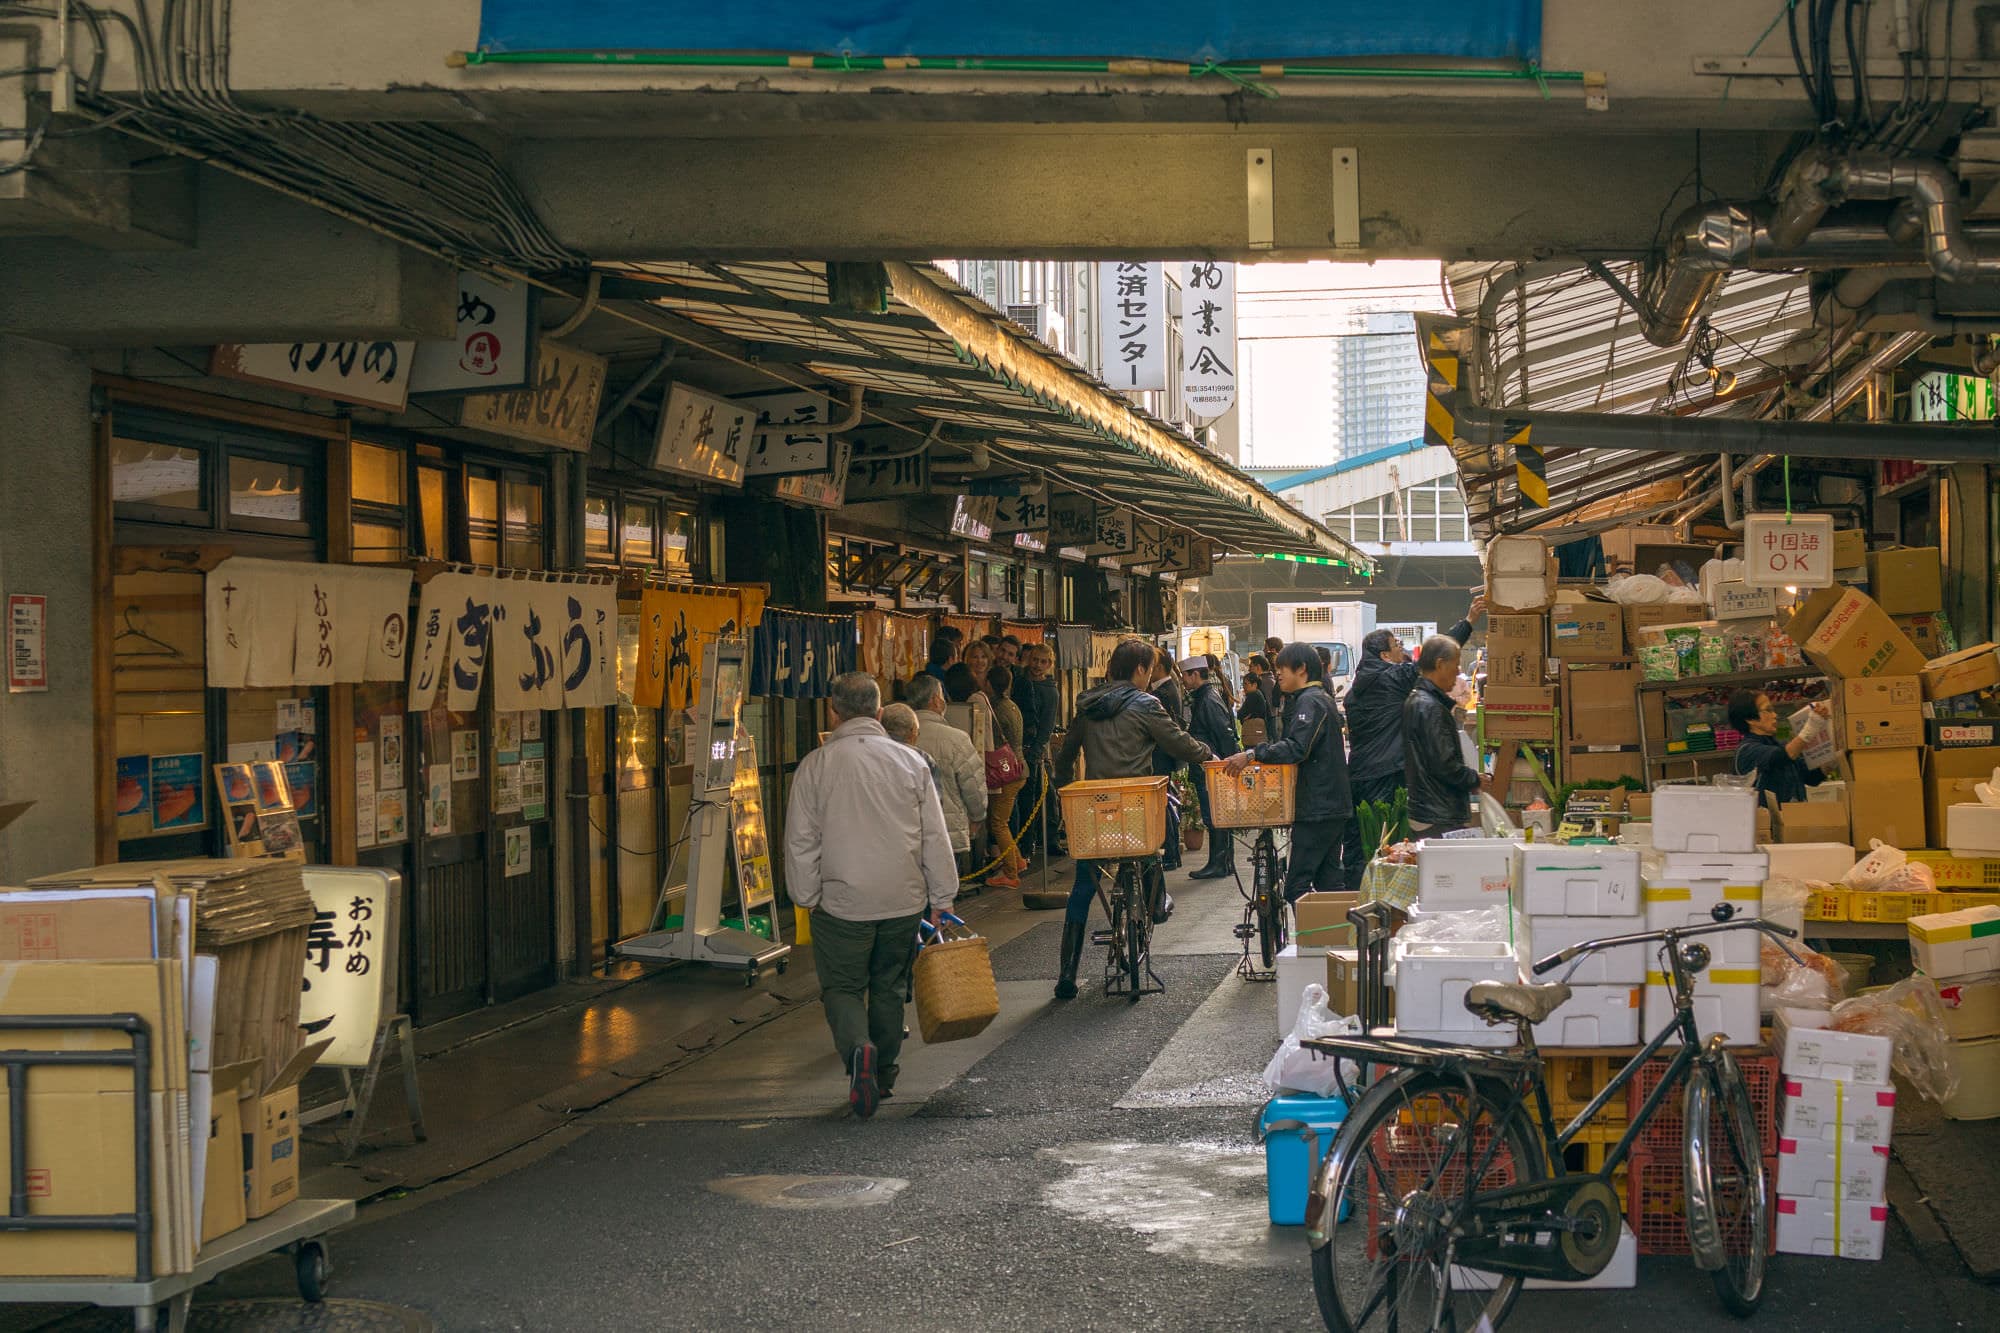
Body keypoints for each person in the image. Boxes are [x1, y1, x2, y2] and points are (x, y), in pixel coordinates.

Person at [784, 672, 957, 1118]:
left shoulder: (815, 766)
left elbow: (801, 841)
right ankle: (883, 1071)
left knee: (842, 987)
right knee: (889, 986)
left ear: (833, 712)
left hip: (840, 902)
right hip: (903, 898)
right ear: (879, 712)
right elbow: (934, 836)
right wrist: (943, 898)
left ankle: (858, 1048)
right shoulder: (911, 762)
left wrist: (806, 895)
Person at [1051, 639, 1214, 1000]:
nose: (1150, 676)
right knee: (1150, 848)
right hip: (1136, 804)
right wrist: (1206, 753)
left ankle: (1067, 973)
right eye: (1149, 669)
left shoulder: (1088, 705)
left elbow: (1066, 755)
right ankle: (1156, 903)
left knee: (1084, 884)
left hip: (1094, 806)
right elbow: (1178, 742)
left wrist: (1063, 788)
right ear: (1140, 669)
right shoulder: (1145, 703)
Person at [1224, 643, 1353, 901]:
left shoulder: (1310, 701)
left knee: (1297, 888)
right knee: (1329, 884)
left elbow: (1296, 748)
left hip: (1318, 808)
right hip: (1330, 805)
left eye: (1282, 668)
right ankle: (1336, 927)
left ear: (1301, 669)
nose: (1278, 674)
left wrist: (1252, 754)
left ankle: (1319, 929)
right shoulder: (1316, 699)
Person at [1345, 600, 1484, 810]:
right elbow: (1435, 654)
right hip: (1388, 773)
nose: (1401, 649)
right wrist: (1468, 622)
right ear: (1384, 655)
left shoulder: (1353, 692)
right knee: (1389, 826)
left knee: (1366, 826)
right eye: (1396, 645)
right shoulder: (1393, 678)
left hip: (1358, 772)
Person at [906, 674, 988, 878]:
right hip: (947, 832)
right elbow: (973, 786)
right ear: (935, 700)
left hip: (906, 833)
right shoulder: (956, 738)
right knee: (945, 887)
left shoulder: (895, 738)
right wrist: (977, 816)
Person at [1404, 635, 1485, 837]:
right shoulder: (1430, 707)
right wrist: (1475, 779)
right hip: (1438, 812)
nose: (1458, 671)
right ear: (1440, 664)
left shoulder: (1419, 700)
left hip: (1428, 809)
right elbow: (1444, 765)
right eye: (1456, 665)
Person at [1181, 655, 1243, 880]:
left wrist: (1229, 762)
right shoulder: (1206, 697)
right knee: (1218, 815)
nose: (1183, 680)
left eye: (1185, 676)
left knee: (1215, 815)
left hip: (1213, 768)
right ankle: (1223, 862)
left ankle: (1219, 863)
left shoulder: (1207, 699)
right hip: (1212, 767)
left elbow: (1224, 733)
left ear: (1195, 675)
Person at [1730, 689, 1828, 804]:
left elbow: (1812, 778)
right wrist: (1812, 726)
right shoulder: (1746, 750)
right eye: (1768, 710)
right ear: (1751, 719)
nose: (1775, 715)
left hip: (1795, 814)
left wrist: (1833, 758)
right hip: (1766, 816)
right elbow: (1782, 756)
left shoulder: (1775, 744)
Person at [983, 663, 1029, 890]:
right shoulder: (1012, 705)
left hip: (1006, 769)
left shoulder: (995, 709)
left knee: (998, 823)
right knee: (1003, 821)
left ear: (988, 684)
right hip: (1018, 766)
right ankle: (1017, 860)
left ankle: (1011, 873)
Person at [1015, 642, 1060, 855]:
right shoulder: (1018, 681)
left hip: (1033, 751)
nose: (1037, 665)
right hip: (1014, 745)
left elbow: (1047, 725)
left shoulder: (1050, 692)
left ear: (1049, 664)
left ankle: (1030, 843)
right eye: (1035, 660)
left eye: (1043, 662)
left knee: (1032, 798)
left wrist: (1035, 751)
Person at [1149, 646, 1189, 872]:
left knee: (1162, 805)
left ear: (1159, 667)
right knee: (1164, 803)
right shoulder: (1167, 688)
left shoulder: (1163, 693)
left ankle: (1170, 854)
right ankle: (1171, 854)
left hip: (1160, 756)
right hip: (1164, 755)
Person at [1238, 654, 1275, 739]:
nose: (1249, 669)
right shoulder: (1268, 680)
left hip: (1260, 729)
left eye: (1251, 666)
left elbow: (1241, 713)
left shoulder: (1262, 685)